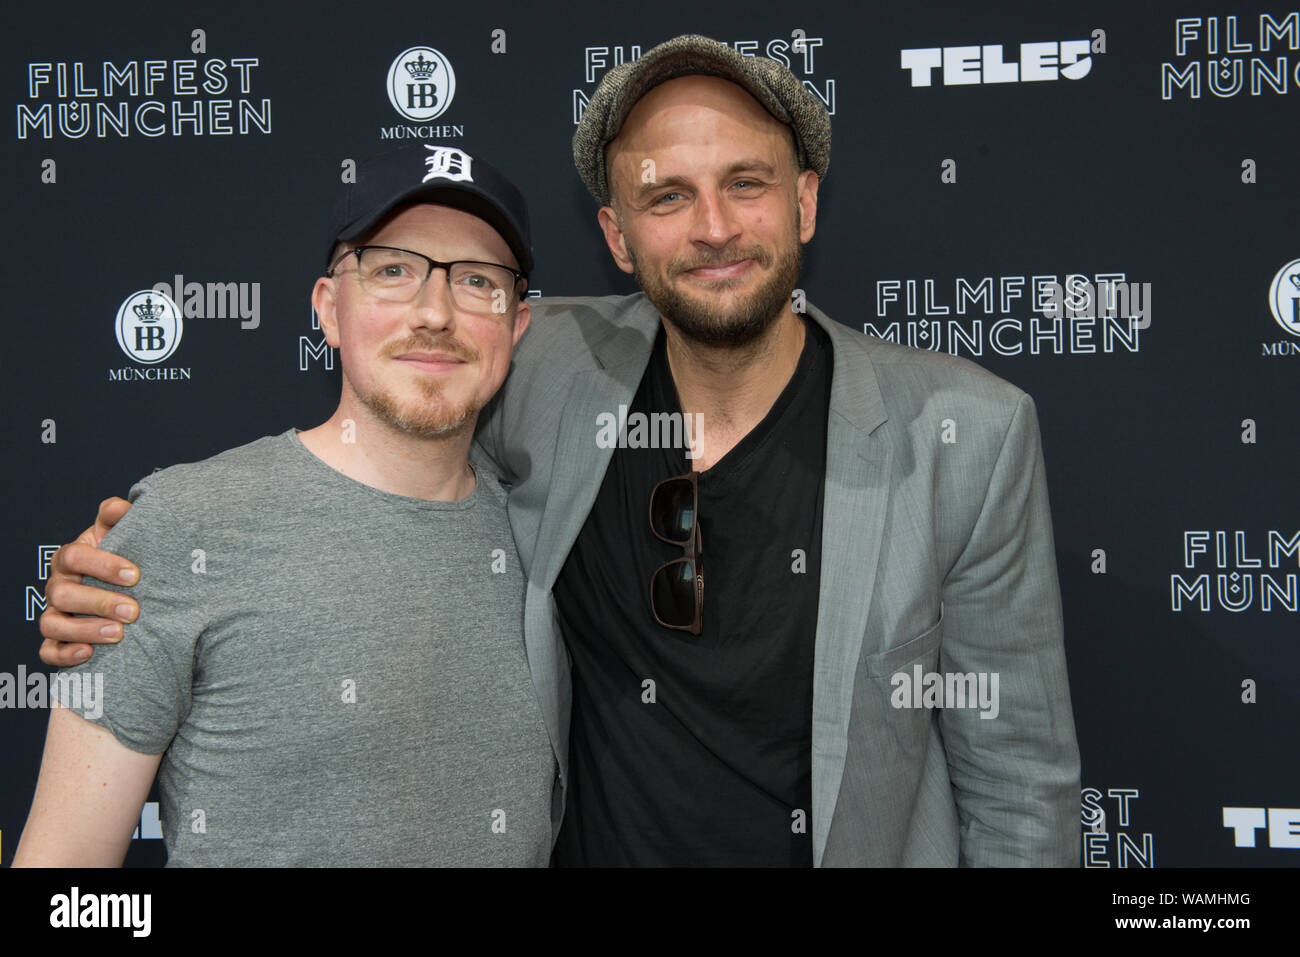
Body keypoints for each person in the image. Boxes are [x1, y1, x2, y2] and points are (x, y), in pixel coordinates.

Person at [39, 35, 1080, 866]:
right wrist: (143, 562)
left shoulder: (968, 434)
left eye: (747, 184)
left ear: (805, 200)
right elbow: (373, 447)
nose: (712, 226)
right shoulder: (543, 366)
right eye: (666, 195)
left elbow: (1019, 784)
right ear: (620, 239)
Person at [16, 144, 556, 866]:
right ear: (330, 310)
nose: (435, 312)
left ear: (516, 325)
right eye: (392, 270)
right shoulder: (181, 526)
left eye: (477, 281)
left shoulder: (549, 534)